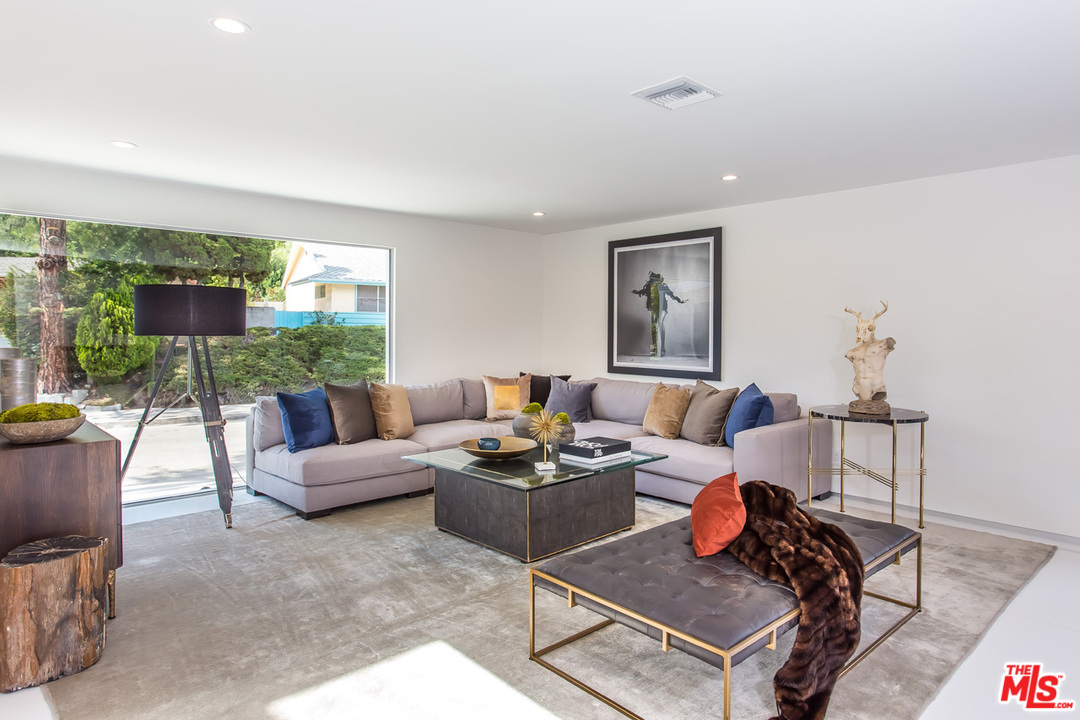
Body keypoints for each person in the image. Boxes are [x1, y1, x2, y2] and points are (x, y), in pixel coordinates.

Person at [632, 271, 687, 357]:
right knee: (654, 326)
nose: (654, 283)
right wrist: (637, 292)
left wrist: (680, 301)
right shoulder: (650, 287)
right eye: (652, 281)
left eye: (655, 281)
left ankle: (663, 348)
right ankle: (653, 351)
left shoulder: (663, 286)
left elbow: (672, 295)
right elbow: (643, 291)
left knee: (660, 323)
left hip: (663, 308)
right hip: (655, 308)